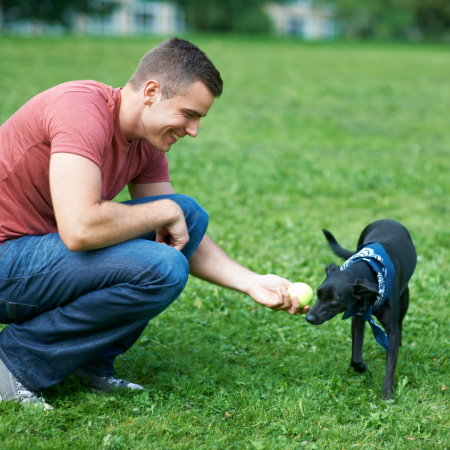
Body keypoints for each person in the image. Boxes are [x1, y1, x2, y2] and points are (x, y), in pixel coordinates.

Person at [0, 38, 309, 410]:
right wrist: (164, 211)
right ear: (151, 92)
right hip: (8, 256)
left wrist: (251, 282)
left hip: (37, 255)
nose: (193, 130)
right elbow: (80, 228)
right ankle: (12, 365)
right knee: (163, 265)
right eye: (189, 114)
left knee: (186, 213)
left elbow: (178, 229)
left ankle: (85, 362)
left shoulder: (145, 142)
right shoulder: (80, 110)